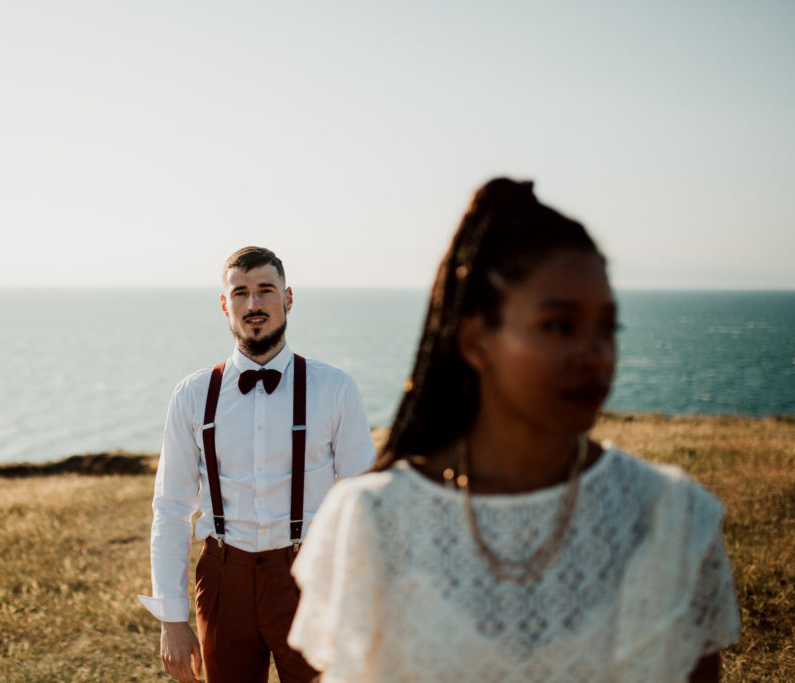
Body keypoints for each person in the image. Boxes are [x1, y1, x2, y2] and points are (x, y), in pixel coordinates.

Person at [287, 179, 741, 682]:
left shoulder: (672, 516)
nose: (595, 354)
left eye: (607, 328)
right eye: (559, 326)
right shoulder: (372, 522)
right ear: (477, 341)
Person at [138, 246, 377, 683]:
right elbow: (170, 508)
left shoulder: (335, 388)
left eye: (266, 290)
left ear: (288, 299)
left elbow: (364, 504)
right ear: (225, 305)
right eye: (241, 292)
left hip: (311, 578)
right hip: (224, 578)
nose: (254, 303)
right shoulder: (192, 395)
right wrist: (172, 620)